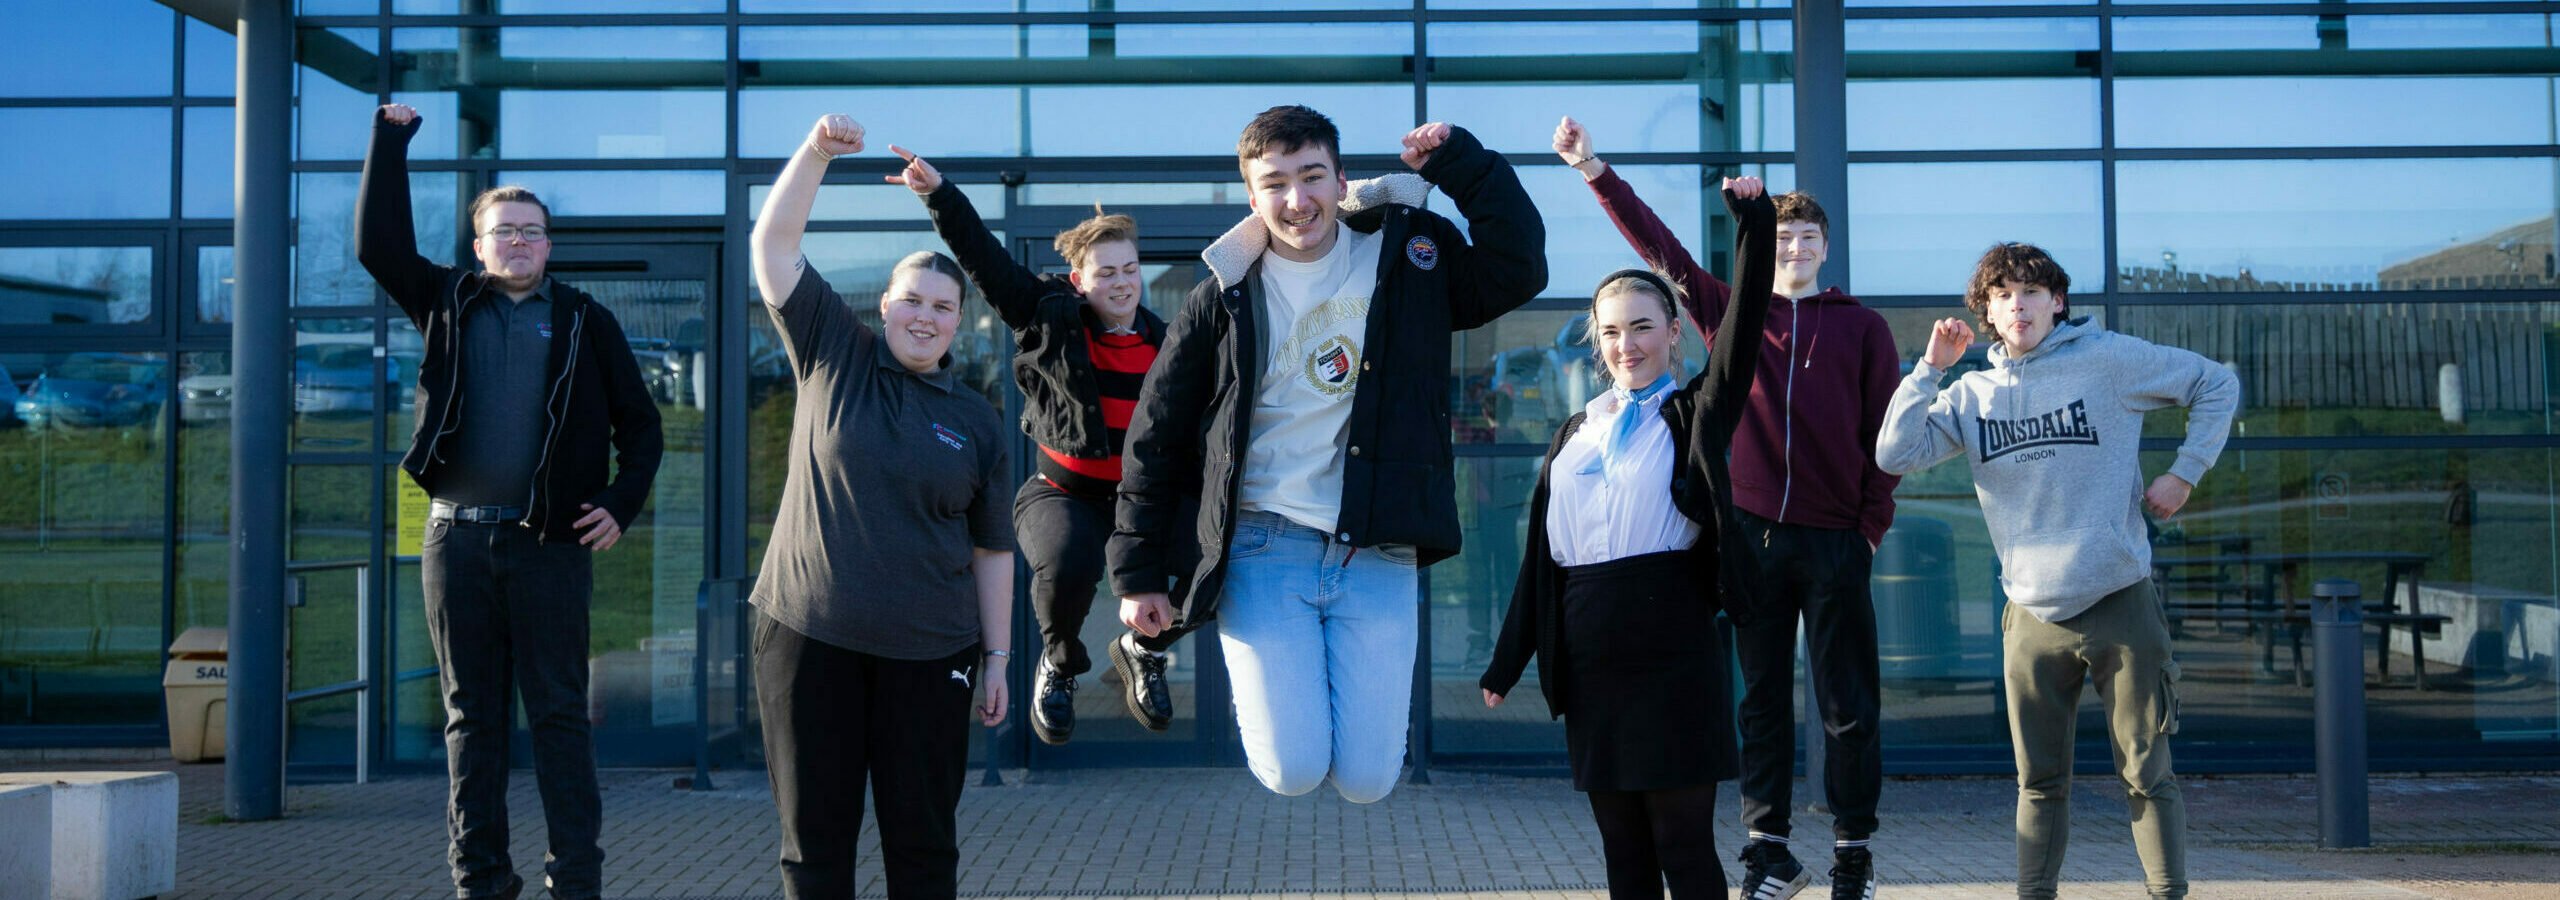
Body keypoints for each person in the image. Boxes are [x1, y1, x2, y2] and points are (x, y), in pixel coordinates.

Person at [1108, 105, 1546, 803]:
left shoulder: (1410, 254)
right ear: (1253, 197)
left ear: (1341, 182)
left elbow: (1518, 269)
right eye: (1275, 183)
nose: (1296, 199)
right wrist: (1138, 577)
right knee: (1293, 770)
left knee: (1369, 781)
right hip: (1263, 546)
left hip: (1376, 546)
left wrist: (1461, 163)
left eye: (1312, 176)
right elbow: (1153, 438)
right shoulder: (1220, 297)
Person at [1553, 116, 1899, 900]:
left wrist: (1869, 530)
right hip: (1751, 543)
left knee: (1847, 707)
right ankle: (1769, 853)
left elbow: (1884, 438)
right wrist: (1592, 168)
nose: (1794, 249)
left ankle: (1853, 854)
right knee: (1761, 703)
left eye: (1807, 238)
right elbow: (1659, 248)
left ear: (1826, 248)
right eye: (1783, 237)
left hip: (1837, 541)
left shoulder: (1864, 328)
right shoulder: (1730, 313)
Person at [357, 103, 665, 900]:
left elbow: (642, 427)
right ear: (479, 245)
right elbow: (377, 246)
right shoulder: (446, 303)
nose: (519, 242)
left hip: (549, 547)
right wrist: (390, 143)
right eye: (504, 231)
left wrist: (620, 503)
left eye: (532, 231)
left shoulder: (586, 321)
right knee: (471, 718)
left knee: (559, 714)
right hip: (454, 544)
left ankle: (577, 881)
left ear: (549, 245)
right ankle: (481, 880)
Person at [1875, 242, 2239, 900]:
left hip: (2119, 600)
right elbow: (1893, 454)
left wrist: (2186, 473)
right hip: (2032, 616)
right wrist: (1930, 370)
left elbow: (2216, 382)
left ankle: (2168, 893)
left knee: (2146, 773)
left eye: (2032, 292)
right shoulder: (1972, 395)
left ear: (2057, 302)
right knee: (2039, 783)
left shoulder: (2107, 361)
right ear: (1988, 312)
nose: (2018, 304)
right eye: (2003, 295)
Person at [1481, 179, 1777, 899]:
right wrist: (1506, 662)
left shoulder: (1694, 413)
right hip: (1591, 657)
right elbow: (1542, 560)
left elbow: (1742, 331)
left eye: (1642, 327)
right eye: (1611, 332)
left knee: (1682, 843)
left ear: (1674, 332)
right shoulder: (1574, 432)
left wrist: (1755, 226)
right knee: (1623, 850)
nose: (1626, 345)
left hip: (1672, 646)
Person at [746, 114, 1016, 899]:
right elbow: (774, 246)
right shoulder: (833, 352)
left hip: (931, 658)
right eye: (912, 301)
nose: (925, 317)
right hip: (808, 639)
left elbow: (993, 548)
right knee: (814, 848)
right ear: (884, 306)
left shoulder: (976, 419)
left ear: (960, 322)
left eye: (943, 306)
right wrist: (814, 154)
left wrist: (999, 660)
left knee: (923, 849)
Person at [887, 144, 1179, 743]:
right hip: (1061, 493)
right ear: (1080, 281)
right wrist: (939, 195)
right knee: (1069, 563)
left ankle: (1144, 650)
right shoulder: (1048, 318)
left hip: (1140, 502)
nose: (1121, 283)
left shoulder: (1170, 344)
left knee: (1214, 558)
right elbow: (985, 261)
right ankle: (1060, 665)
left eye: (1129, 269)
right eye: (1105, 273)